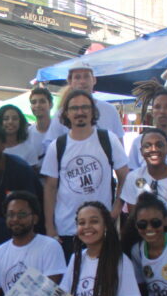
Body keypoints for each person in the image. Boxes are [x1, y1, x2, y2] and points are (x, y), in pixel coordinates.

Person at [42, 89, 129, 260]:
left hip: (100, 229)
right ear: (66, 113)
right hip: (67, 230)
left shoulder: (108, 139)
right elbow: (50, 188)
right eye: (74, 108)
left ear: (93, 111)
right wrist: (49, 227)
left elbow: (125, 177)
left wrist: (115, 211)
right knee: (69, 285)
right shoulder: (57, 146)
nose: (80, 112)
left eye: (85, 107)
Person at [114, 128, 167, 228]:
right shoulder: (133, 177)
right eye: (147, 146)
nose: (153, 149)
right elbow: (135, 220)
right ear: (141, 151)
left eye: (159, 145)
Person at [0, 103, 40, 168]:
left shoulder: (29, 149)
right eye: (6, 119)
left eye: (15, 118)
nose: (10, 122)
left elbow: (32, 176)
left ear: (20, 122)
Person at [28, 85, 56, 162]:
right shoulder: (27, 133)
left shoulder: (60, 130)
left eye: (42, 101)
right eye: (34, 102)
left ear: (51, 105)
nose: (37, 105)